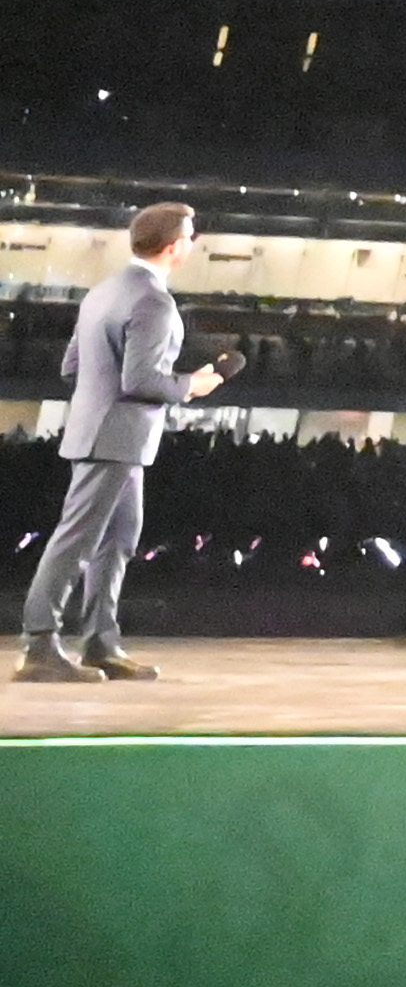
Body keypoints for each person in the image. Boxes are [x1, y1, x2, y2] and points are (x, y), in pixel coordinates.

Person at [21, 203, 239, 684]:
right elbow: (141, 379)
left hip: (105, 434)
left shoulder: (103, 292)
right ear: (174, 246)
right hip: (116, 438)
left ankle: (101, 642)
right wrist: (190, 386)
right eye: (191, 236)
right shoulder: (153, 301)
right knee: (76, 543)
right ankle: (40, 645)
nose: (194, 243)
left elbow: (71, 369)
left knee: (117, 540)